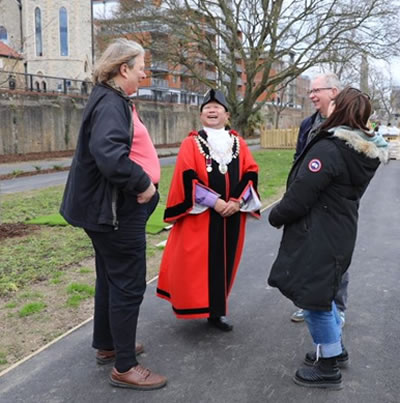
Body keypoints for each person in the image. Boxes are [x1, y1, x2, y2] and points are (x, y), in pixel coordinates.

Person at [60, 38, 167, 390]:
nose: (144, 73)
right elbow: (109, 155)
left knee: (110, 277)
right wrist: (144, 185)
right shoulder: (110, 103)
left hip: (111, 209)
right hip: (118, 210)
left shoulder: (112, 98)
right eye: (140, 67)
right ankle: (124, 366)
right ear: (124, 69)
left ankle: (109, 345)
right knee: (128, 282)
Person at [267, 87, 389, 389]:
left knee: (315, 300)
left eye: (333, 102)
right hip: (338, 231)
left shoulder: (331, 149)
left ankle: (328, 367)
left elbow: (301, 195)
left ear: (340, 110)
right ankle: (335, 348)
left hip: (319, 233)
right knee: (323, 293)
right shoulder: (359, 150)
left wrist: (276, 215)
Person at [156, 89, 261, 331]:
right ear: (201, 114)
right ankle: (196, 306)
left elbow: (250, 172)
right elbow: (187, 176)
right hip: (203, 215)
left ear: (227, 114)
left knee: (225, 261)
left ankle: (217, 311)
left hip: (232, 215)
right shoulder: (191, 143)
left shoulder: (239, 143)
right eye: (207, 108)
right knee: (198, 265)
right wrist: (215, 202)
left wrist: (235, 202)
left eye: (217, 107)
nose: (212, 111)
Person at [291, 73, 348, 326]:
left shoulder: (348, 125)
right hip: (307, 200)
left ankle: (338, 307)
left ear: (334, 91)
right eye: (310, 91)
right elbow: (298, 158)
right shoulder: (307, 124)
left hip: (334, 204)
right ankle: (308, 302)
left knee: (335, 257)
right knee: (307, 253)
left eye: (317, 90)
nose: (312, 95)